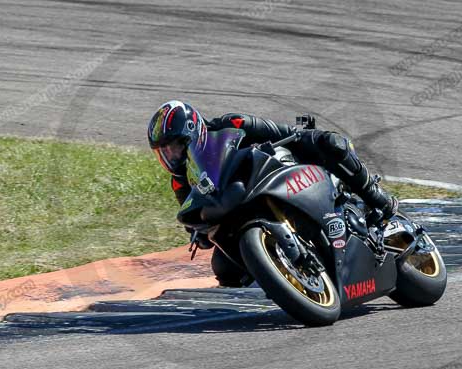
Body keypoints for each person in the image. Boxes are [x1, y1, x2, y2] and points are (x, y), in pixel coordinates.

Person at [147, 100, 398, 287]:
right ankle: (281, 273)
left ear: (193, 131)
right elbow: (194, 219)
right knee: (225, 270)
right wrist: (198, 234)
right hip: (239, 206)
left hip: (279, 171)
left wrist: (305, 137)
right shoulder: (180, 182)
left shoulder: (231, 124)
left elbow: (282, 133)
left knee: (330, 144)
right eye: (164, 152)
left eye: (175, 146)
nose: (171, 156)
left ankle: (376, 196)